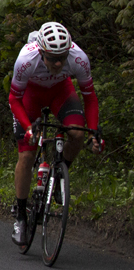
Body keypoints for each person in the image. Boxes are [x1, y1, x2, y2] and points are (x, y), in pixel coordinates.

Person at [8, 22, 101, 247]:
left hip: (61, 92)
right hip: (30, 96)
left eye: (62, 56)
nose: (59, 62)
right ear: (41, 53)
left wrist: (95, 133)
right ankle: (20, 215)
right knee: (27, 154)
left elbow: (90, 97)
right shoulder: (26, 60)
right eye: (52, 58)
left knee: (77, 134)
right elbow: (14, 99)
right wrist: (28, 127)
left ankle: (60, 174)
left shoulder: (78, 57)